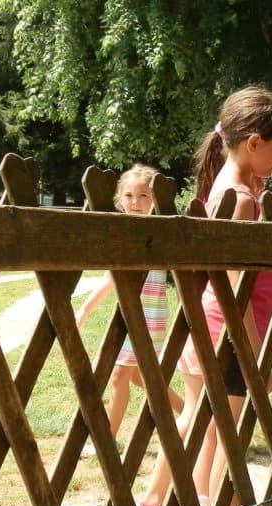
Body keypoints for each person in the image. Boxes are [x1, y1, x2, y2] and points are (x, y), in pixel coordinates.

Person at [137, 87, 272, 506]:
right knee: (225, 430)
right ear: (253, 144)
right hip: (231, 328)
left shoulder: (232, 186)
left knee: (198, 420)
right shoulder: (241, 198)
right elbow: (233, 282)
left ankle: (168, 502)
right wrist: (253, 342)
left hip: (209, 320)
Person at [75, 164, 183, 457]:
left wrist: (85, 309)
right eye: (129, 196)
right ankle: (190, 413)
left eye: (144, 196)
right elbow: (112, 277)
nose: (136, 203)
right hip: (131, 317)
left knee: (120, 377)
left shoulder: (158, 234)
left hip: (149, 318)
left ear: (155, 199)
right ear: (119, 199)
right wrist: (85, 308)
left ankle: (106, 439)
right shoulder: (123, 234)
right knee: (142, 379)